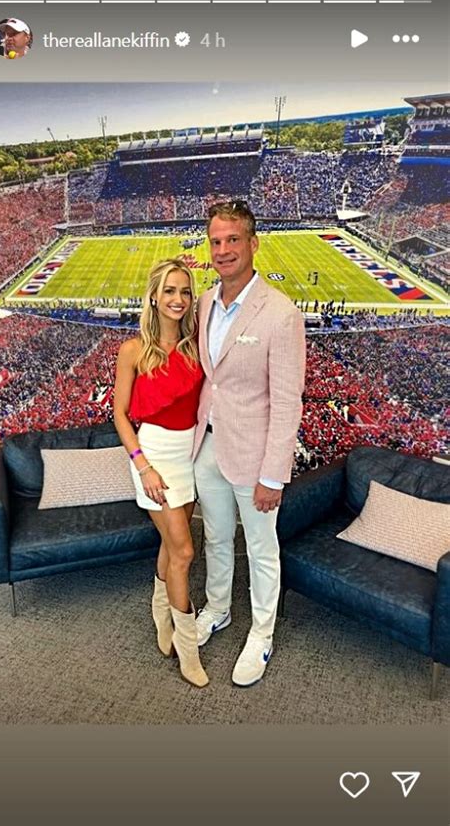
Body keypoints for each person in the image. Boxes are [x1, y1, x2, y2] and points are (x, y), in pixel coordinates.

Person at [193, 200, 306, 686]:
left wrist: (272, 474)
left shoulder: (280, 315)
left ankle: (262, 633)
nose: (223, 250)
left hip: (254, 456)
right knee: (215, 537)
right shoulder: (203, 303)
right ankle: (219, 608)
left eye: (232, 240)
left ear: (253, 244)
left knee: (260, 549)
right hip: (208, 445)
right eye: (216, 241)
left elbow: (287, 402)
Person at [113, 259, 208, 688]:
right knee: (185, 552)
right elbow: (119, 415)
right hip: (150, 456)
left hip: (187, 454)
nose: (178, 299)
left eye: (185, 292)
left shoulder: (196, 345)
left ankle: (159, 610)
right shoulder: (133, 350)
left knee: (173, 548)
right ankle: (189, 650)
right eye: (169, 290)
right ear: (154, 296)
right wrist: (143, 465)